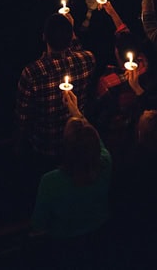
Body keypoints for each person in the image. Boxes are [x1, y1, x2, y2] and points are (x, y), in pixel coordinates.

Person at [16, 14, 96, 164]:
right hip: (77, 143)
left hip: (45, 146)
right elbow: (78, 53)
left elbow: (23, 117)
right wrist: (71, 32)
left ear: (44, 37)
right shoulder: (88, 60)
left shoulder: (33, 73)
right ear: (71, 37)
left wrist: (20, 146)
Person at [31, 90, 111, 238]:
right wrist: (75, 111)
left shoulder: (50, 181)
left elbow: (38, 225)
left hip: (65, 243)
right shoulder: (106, 162)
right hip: (101, 233)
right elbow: (93, 137)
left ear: (66, 148)